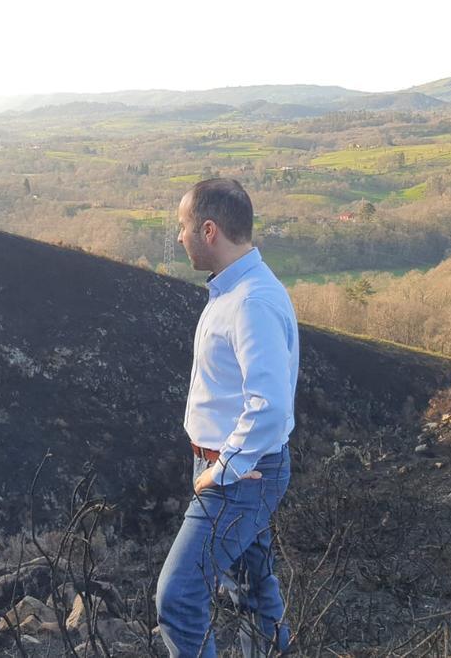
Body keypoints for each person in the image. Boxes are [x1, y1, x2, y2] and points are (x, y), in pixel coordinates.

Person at [156, 178, 300, 657]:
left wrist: (223, 467)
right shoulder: (236, 291)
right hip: (236, 466)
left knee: (178, 595)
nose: (180, 237)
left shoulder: (250, 302)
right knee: (254, 590)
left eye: (184, 227)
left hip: (240, 472)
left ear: (210, 230)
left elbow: (270, 403)